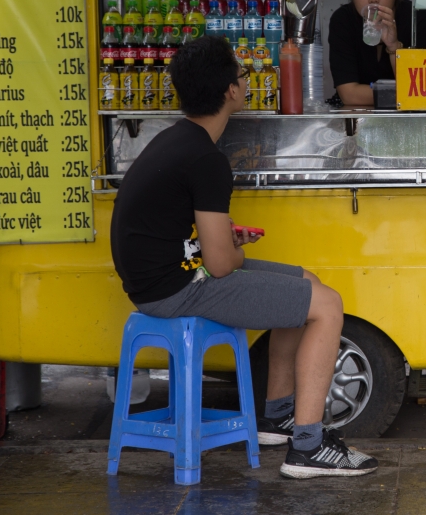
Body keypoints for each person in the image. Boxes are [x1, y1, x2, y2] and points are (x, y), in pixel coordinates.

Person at [109, 35, 377, 479]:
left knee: (307, 283)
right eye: (242, 74)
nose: (246, 80)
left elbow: (171, 226)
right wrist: (228, 248)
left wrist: (223, 240)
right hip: (175, 290)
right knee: (327, 307)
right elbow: (219, 266)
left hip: (164, 277)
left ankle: (278, 416)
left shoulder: (179, 141)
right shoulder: (206, 159)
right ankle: (309, 446)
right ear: (231, 91)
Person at [327, 0, 426, 106]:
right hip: (354, 112)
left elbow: (421, 90)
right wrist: (402, 94)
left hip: (407, 115)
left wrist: (393, 46)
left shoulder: (418, 17)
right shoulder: (342, 20)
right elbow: (349, 95)